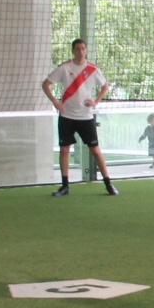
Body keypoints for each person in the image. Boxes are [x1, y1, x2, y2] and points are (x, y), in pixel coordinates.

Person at [42, 38, 118, 196]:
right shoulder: (64, 68)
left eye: (83, 48)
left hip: (86, 117)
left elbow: (105, 86)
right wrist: (55, 102)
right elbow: (46, 84)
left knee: (95, 150)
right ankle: (65, 186)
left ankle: (108, 184)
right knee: (64, 149)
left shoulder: (92, 69)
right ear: (73, 51)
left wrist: (95, 101)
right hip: (67, 116)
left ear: (86, 50)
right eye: (77, 49)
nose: (81, 51)